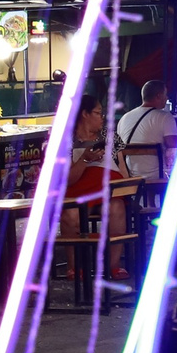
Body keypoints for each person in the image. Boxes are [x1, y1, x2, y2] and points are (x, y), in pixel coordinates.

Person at [64, 95, 134, 280]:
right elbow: (66, 180)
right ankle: (74, 267)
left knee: (117, 207)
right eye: (98, 113)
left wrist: (126, 187)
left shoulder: (109, 136)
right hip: (78, 194)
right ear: (84, 114)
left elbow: (121, 167)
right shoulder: (66, 140)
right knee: (70, 214)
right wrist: (85, 160)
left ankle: (114, 265)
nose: (102, 118)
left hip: (107, 193)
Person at [115, 79, 177, 180]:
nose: (167, 98)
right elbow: (174, 145)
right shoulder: (165, 117)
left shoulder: (124, 118)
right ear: (158, 96)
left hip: (132, 179)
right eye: (165, 95)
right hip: (158, 178)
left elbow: (118, 148)